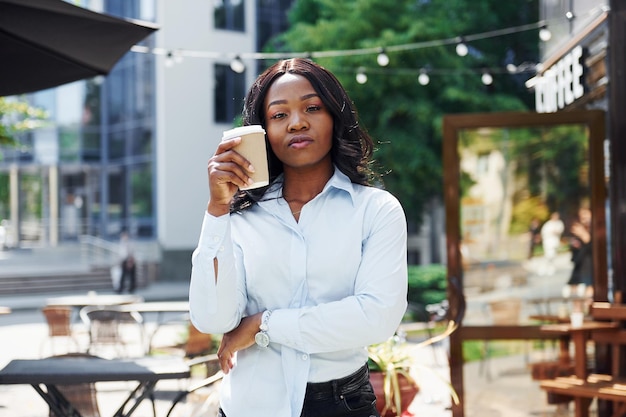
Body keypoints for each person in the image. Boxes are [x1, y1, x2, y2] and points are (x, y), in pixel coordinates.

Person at [188, 58, 408, 417]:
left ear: (334, 116)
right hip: (249, 406)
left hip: (342, 405)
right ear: (262, 132)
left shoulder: (376, 210)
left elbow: (377, 317)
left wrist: (264, 324)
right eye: (278, 115)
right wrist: (216, 210)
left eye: (312, 108)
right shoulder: (240, 217)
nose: (297, 122)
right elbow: (214, 320)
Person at [566, 207, 593, 298]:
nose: (584, 219)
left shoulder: (595, 231)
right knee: (576, 295)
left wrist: (584, 235)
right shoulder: (577, 234)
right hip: (581, 267)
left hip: (591, 268)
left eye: (586, 214)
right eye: (581, 217)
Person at [117, 229, 136, 293]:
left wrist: (130, 262)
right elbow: (121, 254)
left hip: (129, 261)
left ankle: (131, 288)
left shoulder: (129, 243)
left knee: (130, 276)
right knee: (123, 276)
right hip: (124, 261)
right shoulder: (122, 244)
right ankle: (121, 289)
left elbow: (131, 253)